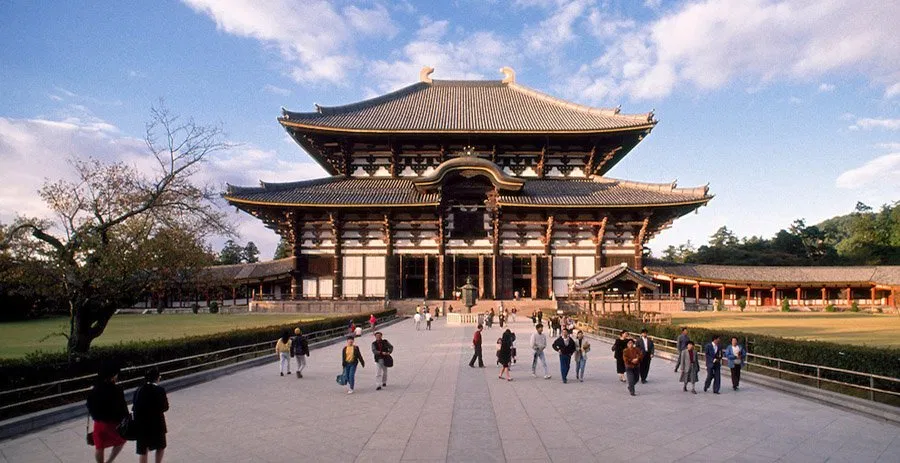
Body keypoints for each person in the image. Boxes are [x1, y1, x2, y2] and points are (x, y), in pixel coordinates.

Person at [86, 362, 127, 463]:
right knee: (121, 440)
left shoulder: (94, 390)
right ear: (112, 376)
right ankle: (109, 461)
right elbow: (122, 409)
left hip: (99, 424)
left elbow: (89, 406)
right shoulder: (117, 390)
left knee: (99, 446)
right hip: (113, 424)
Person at [133, 368, 169, 463]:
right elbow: (165, 407)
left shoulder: (138, 390)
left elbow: (134, 407)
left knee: (143, 450)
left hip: (142, 425)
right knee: (160, 446)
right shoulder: (160, 390)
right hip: (157, 424)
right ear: (157, 378)